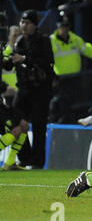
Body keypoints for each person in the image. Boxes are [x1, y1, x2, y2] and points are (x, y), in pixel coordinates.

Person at [3, 10, 55, 168]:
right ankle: (25, 157)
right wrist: (9, 47)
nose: (24, 25)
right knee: (15, 121)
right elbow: (7, 64)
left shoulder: (43, 40)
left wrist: (25, 59)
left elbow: (48, 61)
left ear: (34, 25)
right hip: (24, 88)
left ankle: (37, 162)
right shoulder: (18, 42)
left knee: (39, 126)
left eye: (28, 23)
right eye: (22, 22)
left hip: (41, 89)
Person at [48, 13, 92, 124]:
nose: (64, 29)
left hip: (75, 78)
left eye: (66, 26)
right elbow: (47, 60)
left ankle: (71, 122)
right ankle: (62, 123)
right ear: (57, 27)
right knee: (61, 103)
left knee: (74, 102)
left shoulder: (75, 39)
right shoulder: (51, 41)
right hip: (60, 79)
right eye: (62, 26)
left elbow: (89, 49)